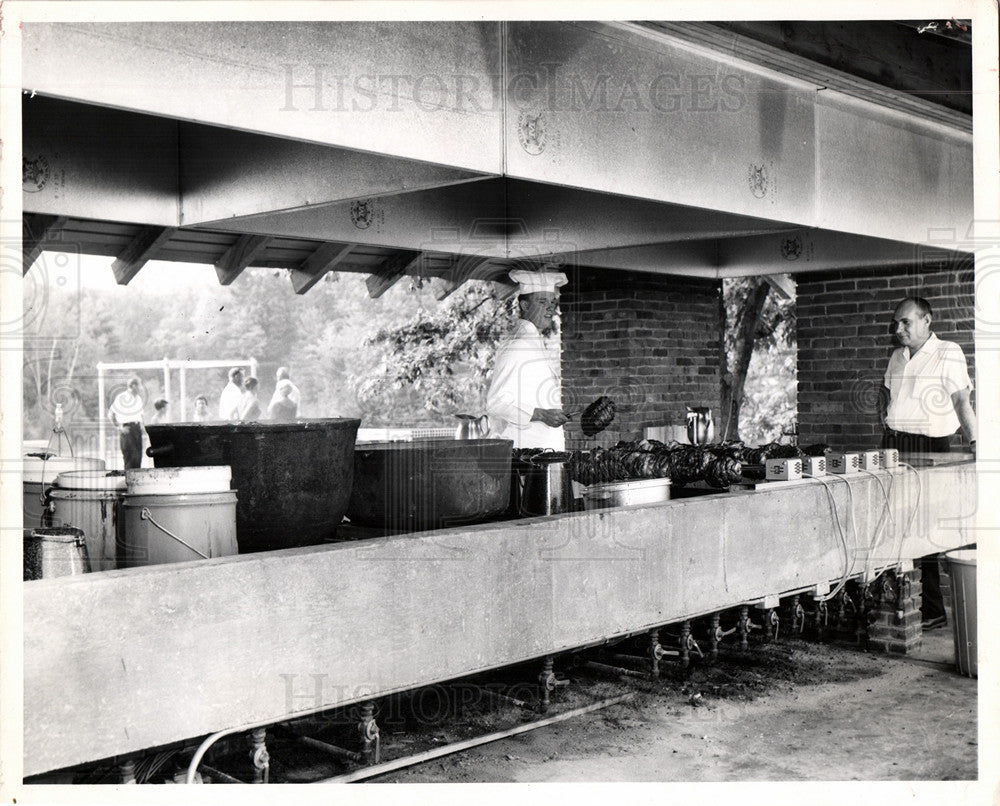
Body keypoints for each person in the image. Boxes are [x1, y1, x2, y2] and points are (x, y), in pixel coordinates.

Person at [879, 296, 977, 631]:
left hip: (931, 447)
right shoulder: (897, 356)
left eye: (905, 322)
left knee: (925, 527)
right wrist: (889, 422)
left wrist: (976, 441)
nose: (899, 328)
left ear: (927, 320)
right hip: (894, 445)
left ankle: (933, 608)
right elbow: (887, 394)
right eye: (896, 323)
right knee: (892, 523)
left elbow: (961, 400)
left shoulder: (948, 352)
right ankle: (897, 605)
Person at [486, 268, 569, 450]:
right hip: (525, 456)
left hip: (543, 451)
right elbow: (496, 404)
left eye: (552, 302)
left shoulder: (534, 342)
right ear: (525, 306)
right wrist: (540, 415)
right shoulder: (518, 345)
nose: (550, 308)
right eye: (542, 301)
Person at [108, 376, 145, 469]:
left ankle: (137, 481)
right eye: (139, 386)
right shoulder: (121, 397)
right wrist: (119, 428)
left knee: (138, 457)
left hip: (137, 429)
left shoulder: (138, 399)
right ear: (133, 386)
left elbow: (141, 416)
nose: (140, 388)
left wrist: (142, 427)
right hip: (127, 429)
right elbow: (111, 414)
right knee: (130, 457)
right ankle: (129, 480)